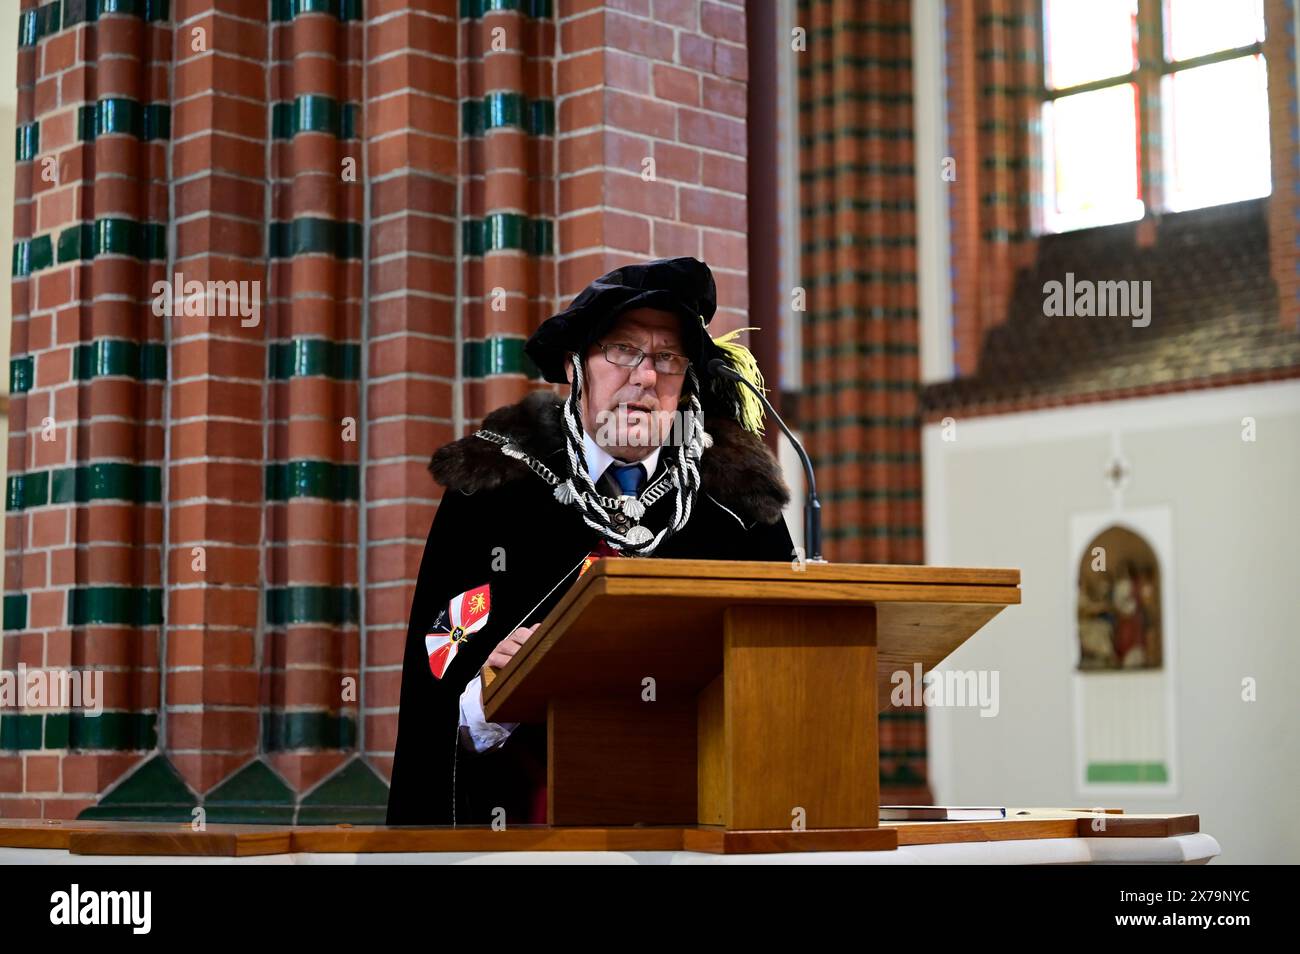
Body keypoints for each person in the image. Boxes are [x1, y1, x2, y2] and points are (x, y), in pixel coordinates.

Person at [386, 257, 795, 825]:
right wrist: (489, 697)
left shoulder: (736, 508)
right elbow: (435, 698)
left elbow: (783, 681)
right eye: (622, 351)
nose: (645, 377)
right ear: (577, 367)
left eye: (667, 358)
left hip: (704, 830)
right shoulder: (495, 490)